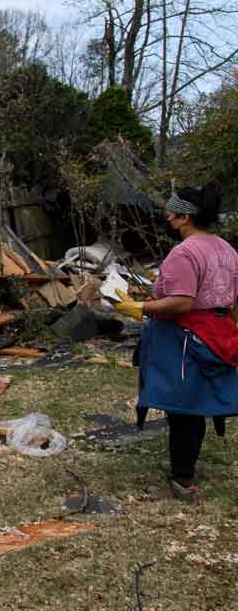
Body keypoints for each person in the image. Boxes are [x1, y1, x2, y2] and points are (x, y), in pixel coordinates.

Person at [112, 184, 238, 503]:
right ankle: (186, 468)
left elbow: (182, 302)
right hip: (217, 331)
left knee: (183, 408)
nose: (167, 218)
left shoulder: (185, 252)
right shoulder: (226, 249)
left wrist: (138, 308)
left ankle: (183, 480)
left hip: (187, 336)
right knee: (196, 403)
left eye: (171, 213)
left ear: (184, 217)